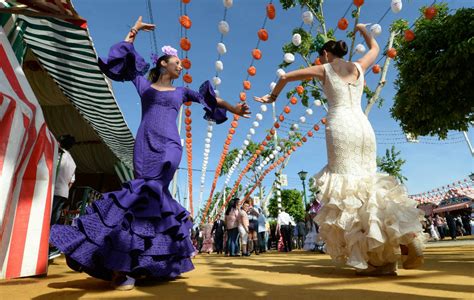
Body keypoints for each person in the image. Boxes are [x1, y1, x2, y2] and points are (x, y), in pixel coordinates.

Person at [49, 16, 250, 290]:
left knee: (152, 191)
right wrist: (134, 31)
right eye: (177, 62)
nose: (181, 65)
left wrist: (234, 109)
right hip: (145, 145)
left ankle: (132, 267)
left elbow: (210, 99)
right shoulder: (144, 85)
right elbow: (125, 60)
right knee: (141, 200)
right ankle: (133, 266)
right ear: (163, 63)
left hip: (170, 146)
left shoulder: (181, 92)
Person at [255, 23, 425, 276]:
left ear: (325, 54)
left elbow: (285, 77)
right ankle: (403, 237)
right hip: (363, 127)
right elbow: (376, 47)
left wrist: (273, 97)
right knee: (369, 183)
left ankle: (372, 258)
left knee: (347, 190)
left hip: (340, 126)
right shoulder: (358, 67)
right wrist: (363, 29)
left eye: (319, 56)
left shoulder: (324, 68)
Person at [49, 134, 76, 260]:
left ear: (59, 142)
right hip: (63, 192)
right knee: (53, 220)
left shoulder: (58, 153)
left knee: (46, 219)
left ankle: (47, 247)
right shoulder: (73, 162)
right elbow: (71, 181)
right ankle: (51, 245)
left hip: (53, 190)